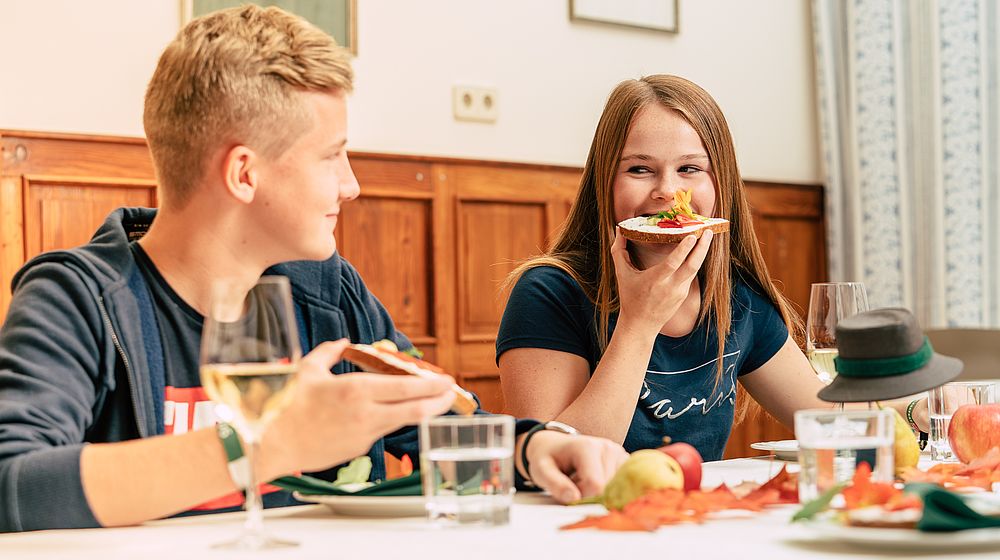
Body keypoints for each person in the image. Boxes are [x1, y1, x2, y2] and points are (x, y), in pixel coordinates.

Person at [0, 6, 626, 533]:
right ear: (245, 173)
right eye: (331, 156)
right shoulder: (76, 297)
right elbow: (13, 486)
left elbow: (433, 421)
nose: (351, 185)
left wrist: (535, 446)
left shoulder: (329, 294)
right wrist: (265, 447)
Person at [496, 75, 931, 461]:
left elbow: (828, 414)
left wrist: (920, 408)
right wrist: (639, 322)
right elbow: (554, 462)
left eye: (690, 168)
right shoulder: (549, 292)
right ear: (604, 181)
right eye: (639, 169)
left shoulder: (736, 299)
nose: (668, 192)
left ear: (719, 182)